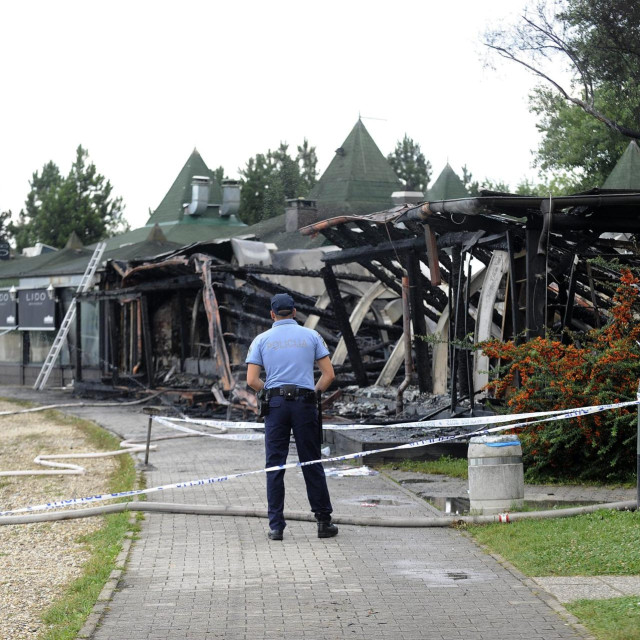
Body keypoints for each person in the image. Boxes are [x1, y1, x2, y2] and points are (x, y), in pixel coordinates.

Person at [246, 293, 338, 541]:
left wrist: (269, 392)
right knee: (311, 462)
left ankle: (276, 527)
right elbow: (328, 374)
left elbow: (252, 380)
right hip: (304, 404)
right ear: (295, 312)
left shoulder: (261, 340)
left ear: (272, 315)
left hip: (275, 405)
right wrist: (313, 393)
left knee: (275, 465)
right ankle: (323, 522)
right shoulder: (312, 336)